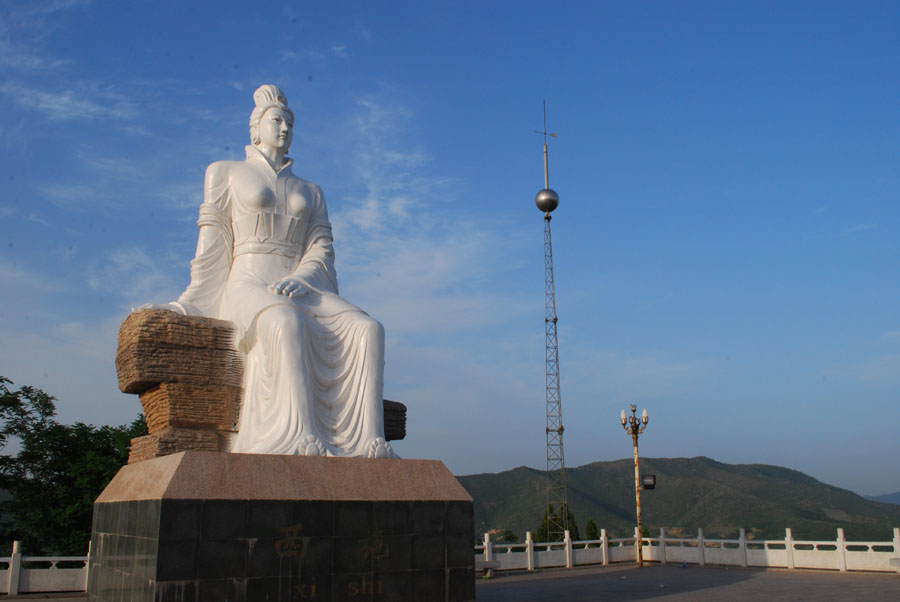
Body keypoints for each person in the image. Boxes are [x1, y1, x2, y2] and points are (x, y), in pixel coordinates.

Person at [157, 84, 393, 458]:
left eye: (290, 123)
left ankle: (366, 441)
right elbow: (214, 241)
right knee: (284, 322)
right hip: (249, 281)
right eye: (277, 120)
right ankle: (295, 436)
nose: (285, 129)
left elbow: (321, 247)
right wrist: (192, 299)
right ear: (256, 127)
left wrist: (302, 278)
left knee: (368, 329)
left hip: (304, 286)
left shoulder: (311, 190)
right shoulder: (225, 172)